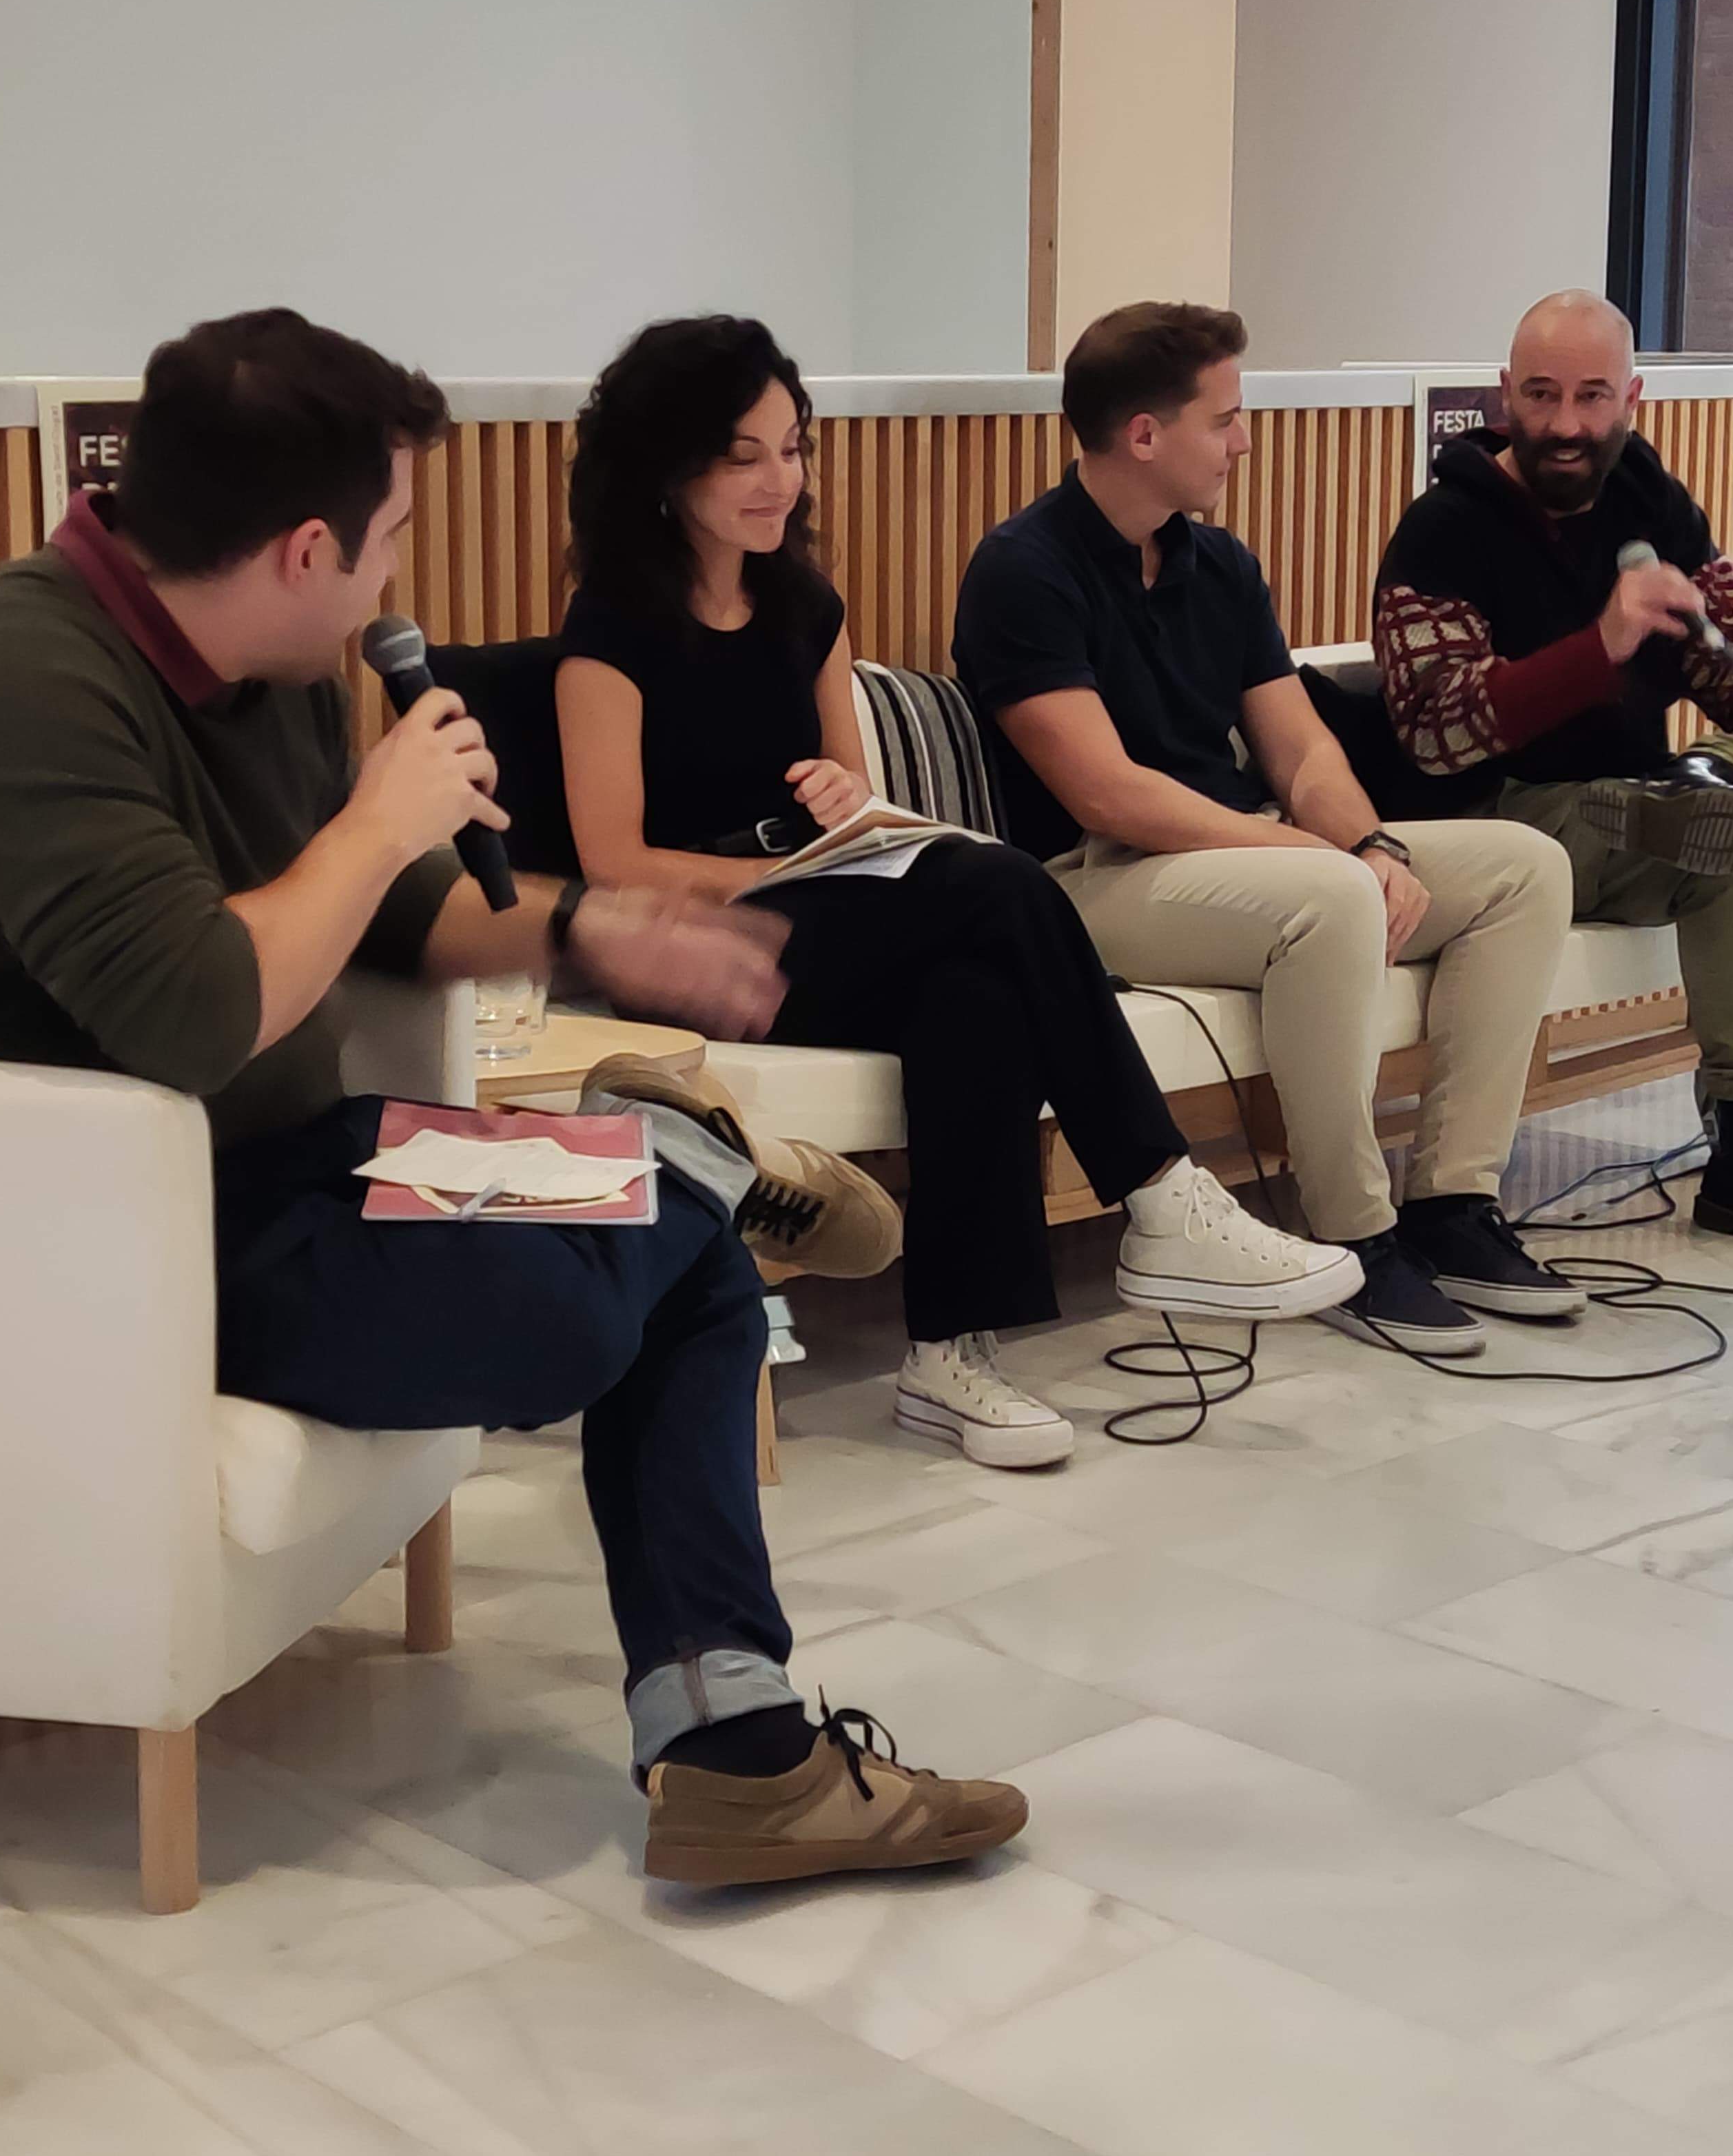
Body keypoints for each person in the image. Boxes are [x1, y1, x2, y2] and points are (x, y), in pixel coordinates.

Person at [0, 307, 1028, 1886]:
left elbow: (388, 917)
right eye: (391, 538)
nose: (395, 586)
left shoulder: (266, 660)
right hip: (101, 1244)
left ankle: (735, 1752)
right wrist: (376, 818)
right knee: (582, 1312)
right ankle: (678, 1156)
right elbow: (192, 1011)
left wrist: (582, 929)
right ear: (305, 550)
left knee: (692, 1277)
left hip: (280, 1164)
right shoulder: (13, 679)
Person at [552, 316, 1365, 1470]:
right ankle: (1160, 1193)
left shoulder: (806, 606)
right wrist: (775, 874)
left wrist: (849, 807)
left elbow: (856, 800)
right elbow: (613, 861)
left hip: (823, 907)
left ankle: (947, 1356)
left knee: (975, 992)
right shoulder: (611, 629)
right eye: (745, 457)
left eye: (793, 449)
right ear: (669, 469)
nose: (781, 480)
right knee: (996, 883)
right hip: (692, 943)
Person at [952, 303, 1581, 1355]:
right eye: (1225, 419)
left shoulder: (1222, 564)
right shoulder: (1024, 569)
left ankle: (1452, 1204)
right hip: (1091, 881)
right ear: (1144, 434)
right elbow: (1109, 795)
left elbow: (1299, 753)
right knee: (1329, 895)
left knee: (1526, 868)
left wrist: (1372, 845)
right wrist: (1319, 857)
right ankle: (1354, 1233)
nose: (1245, 442)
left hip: (1236, 860)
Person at [1369, 289, 1733, 1262]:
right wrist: (1601, 645)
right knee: (1726, 832)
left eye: (1592, 397)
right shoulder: (1442, 530)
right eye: (1542, 396)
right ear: (1504, 396)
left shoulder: (1648, 496)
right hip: (1506, 822)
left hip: (1640, 806)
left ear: (1633, 398)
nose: (1567, 425)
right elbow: (1437, 734)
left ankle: (1698, 788)